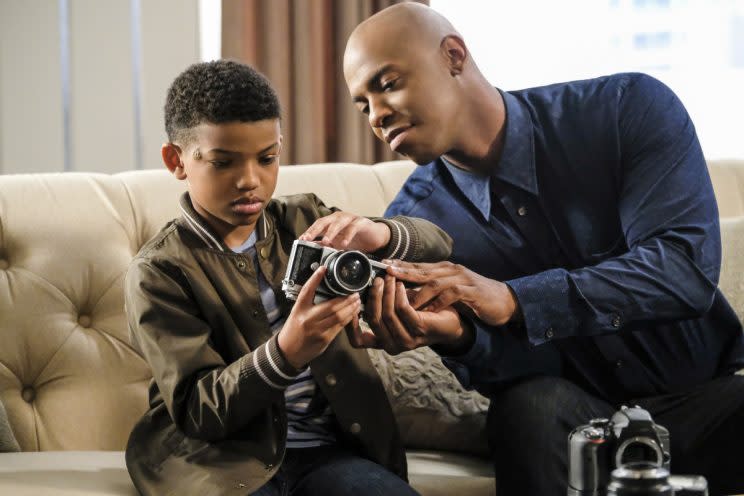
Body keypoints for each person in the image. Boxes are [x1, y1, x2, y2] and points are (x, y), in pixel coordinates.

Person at [342, 3, 744, 496]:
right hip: (576, 424)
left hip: (711, 399)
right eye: (363, 105)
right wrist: (460, 338)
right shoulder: (417, 228)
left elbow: (683, 270)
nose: (377, 116)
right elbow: (521, 371)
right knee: (528, 406)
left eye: (387, 84)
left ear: (453, 55)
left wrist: (514, 299)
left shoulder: (626, 108)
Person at [123, 59, 452, 496]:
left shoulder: (306, 218)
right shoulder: (159, 272)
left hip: (330, 452)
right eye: (223, 163)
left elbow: (440, 243)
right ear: (176, 160)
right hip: (220, 463)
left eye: (267, 158)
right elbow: (199, 411)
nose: (249, 180)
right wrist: (285, 353)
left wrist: (383, 232)